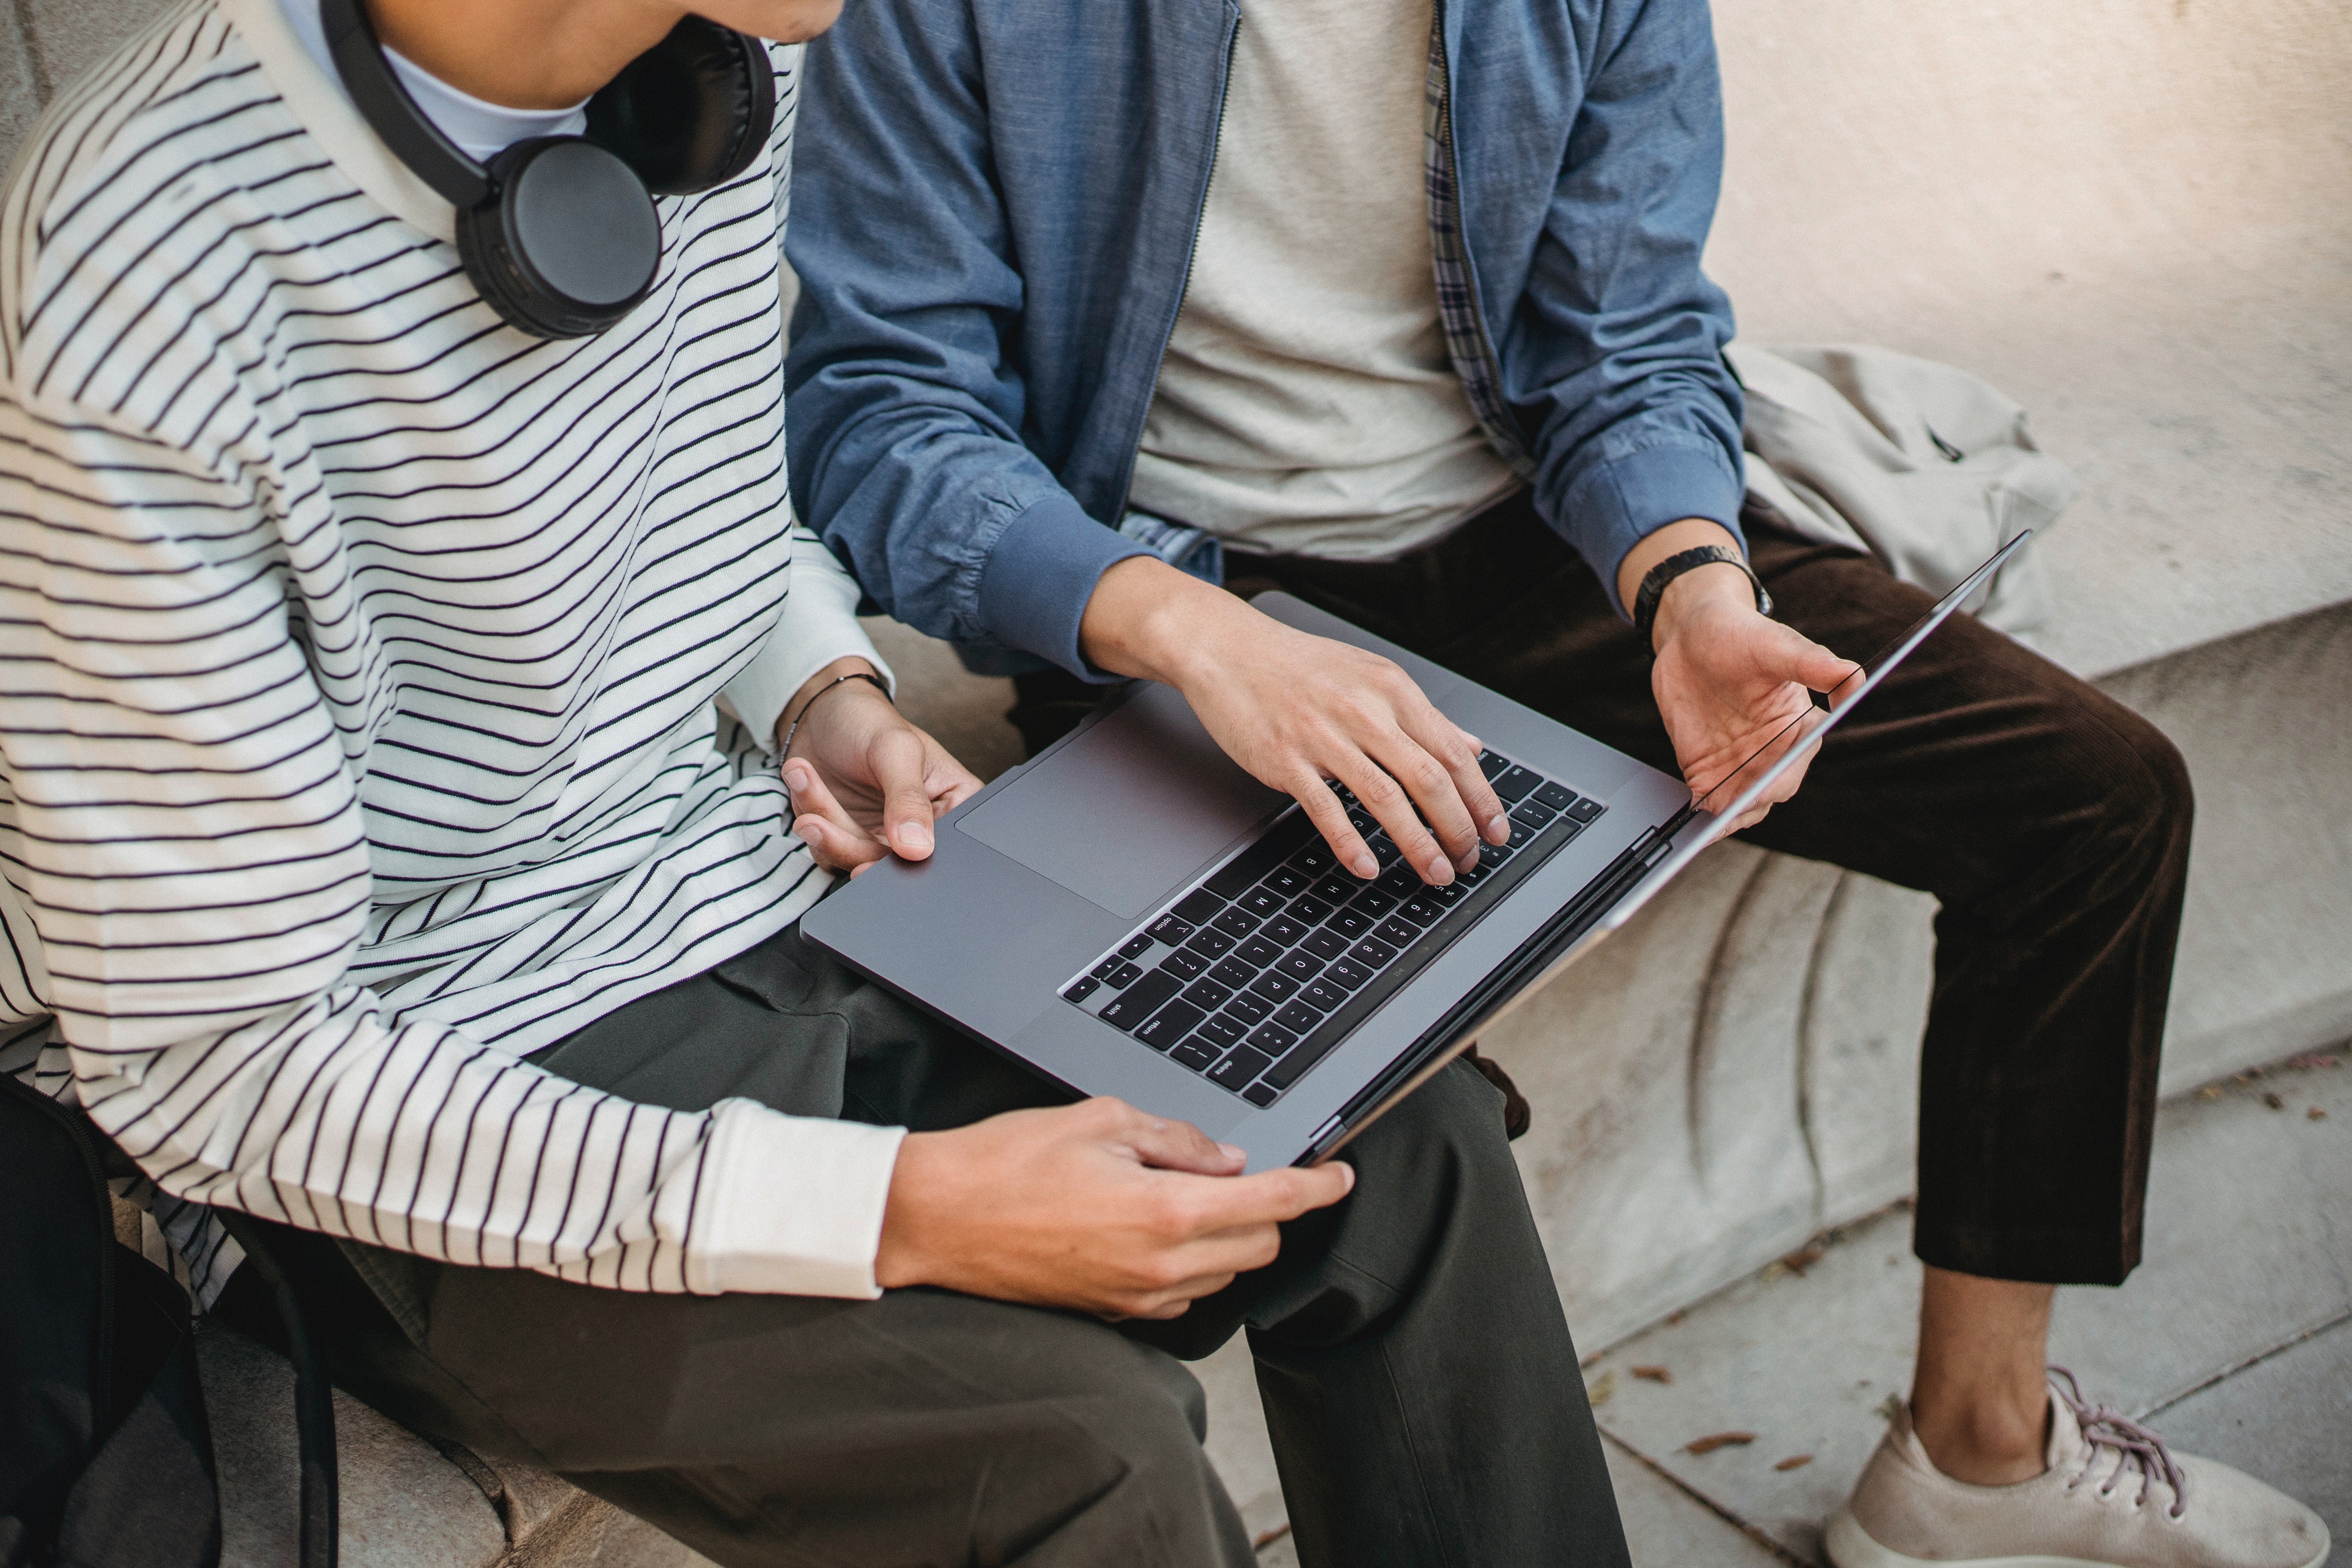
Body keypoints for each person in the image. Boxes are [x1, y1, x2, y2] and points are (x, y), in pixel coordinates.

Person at [0, 0, 1637, 1563]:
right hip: (417, 1095)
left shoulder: (708, 79)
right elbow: (220, 1062)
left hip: (758, 881)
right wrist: (903, 1208)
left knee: (1401, 1137)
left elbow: (705, 505)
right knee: (1082, 1452)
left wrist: (819, 689)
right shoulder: (134, 284)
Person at [779, 0, 2334, 1564]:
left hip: (1537, 533)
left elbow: (1633, 336)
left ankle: (1976, 1462)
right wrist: (1192, 634)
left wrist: (1693, 586)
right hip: (1176, 595)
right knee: (1371, 1104)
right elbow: (882, 411)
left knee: (2093, 803)